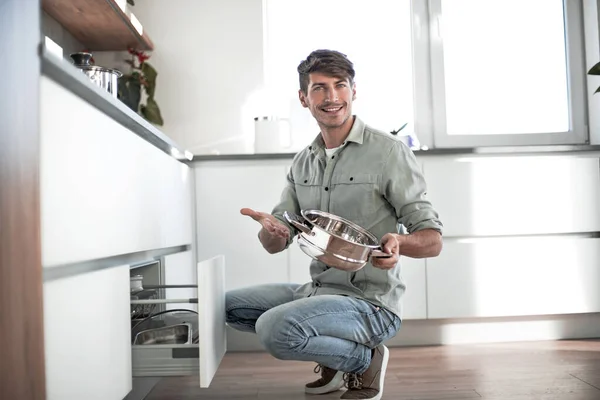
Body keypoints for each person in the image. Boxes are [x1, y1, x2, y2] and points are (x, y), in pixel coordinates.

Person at [226, 49, 443, 400]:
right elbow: (275, 242)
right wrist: (272, 230)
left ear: (353, 91)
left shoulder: (388, 152)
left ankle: (362, 359)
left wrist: (400, 244)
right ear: (303, 97)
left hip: (370, 303)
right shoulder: (303, 162)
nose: (331, 97)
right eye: (319, 88)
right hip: (319, 291)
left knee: (272, 329)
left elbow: (433, 240)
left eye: (340, 85)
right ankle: (332, 352)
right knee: (227, 307)